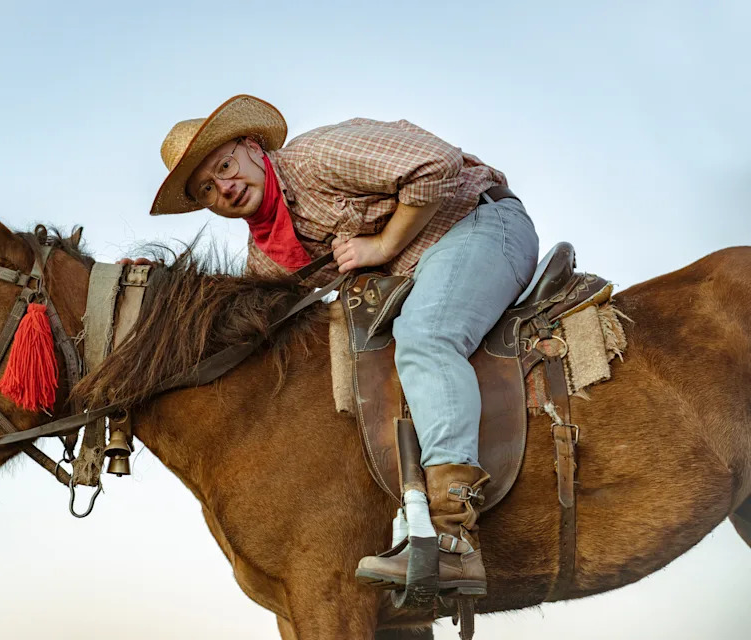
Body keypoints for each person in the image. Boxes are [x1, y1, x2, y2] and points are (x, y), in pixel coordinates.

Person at [148, 95, 539, 597]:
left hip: (476, 227)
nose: (225, 187)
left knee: (426, 337)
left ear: (250, 147)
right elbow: (246, 319)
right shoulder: (267, 256)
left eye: (225, 165)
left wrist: (383, 245)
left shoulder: (317, 158)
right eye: (207, 188)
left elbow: (434, 162)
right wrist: (158, 291)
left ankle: (451, 538)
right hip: (416, 276)